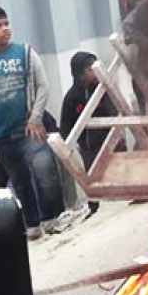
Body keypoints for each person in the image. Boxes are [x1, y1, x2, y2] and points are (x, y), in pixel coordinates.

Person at [0, 6, 62, 240]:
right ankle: (32, 226)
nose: (4, 29)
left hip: (29, 129)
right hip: (1, 135)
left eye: (6, 23)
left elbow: (42, 86)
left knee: (45, 173)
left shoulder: (25, 53)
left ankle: (51, 220)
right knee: (20, 182)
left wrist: (35, 118)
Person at [59, 51, 120, 216]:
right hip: (89, 149)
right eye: (90, 68)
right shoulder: (72, 98)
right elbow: (65, 126)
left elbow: (116, 113)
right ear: (80, 74)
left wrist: (118, 138)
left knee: (116, 174)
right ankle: (95, 209)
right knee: (93, 179)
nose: (95, 71)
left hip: (110, 142)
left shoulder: (104, 90)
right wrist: (71, 147)